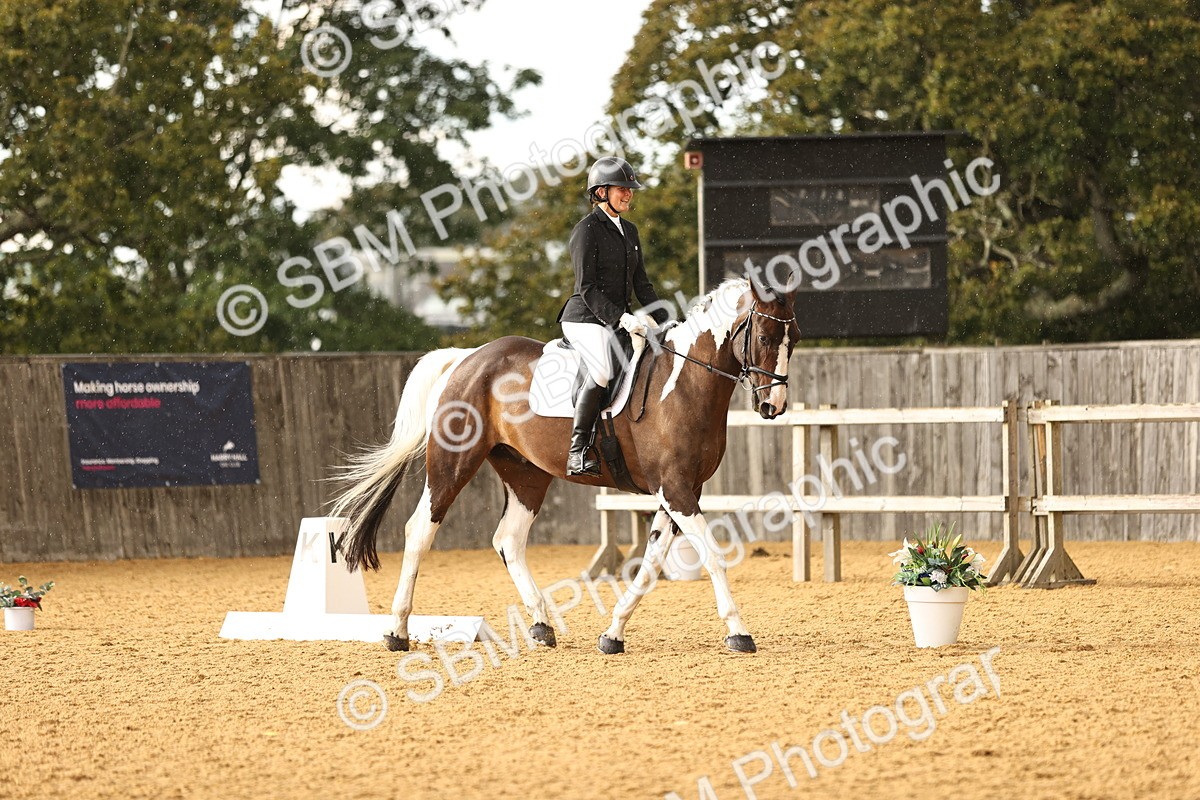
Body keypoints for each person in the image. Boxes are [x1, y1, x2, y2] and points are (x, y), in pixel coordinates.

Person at [556, 156, 670, 477]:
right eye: (622, 189)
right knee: (603, 369)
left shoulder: (630, 231)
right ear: (601, 192)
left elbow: (642, 285)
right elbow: (587, 287)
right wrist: (621, 318)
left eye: (630, 189)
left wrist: (667, 321)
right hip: (584, 318)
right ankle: (577, 450)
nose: (628, 194)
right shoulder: (586, 230)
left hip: (617, 319)